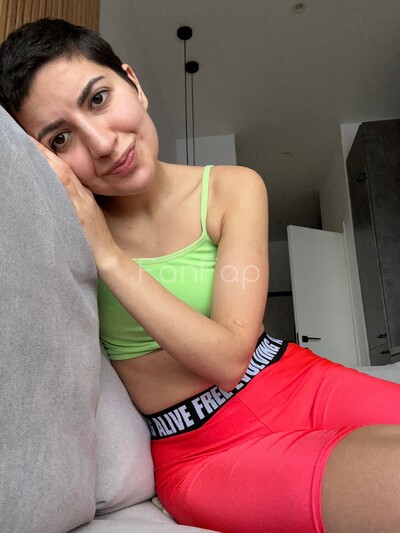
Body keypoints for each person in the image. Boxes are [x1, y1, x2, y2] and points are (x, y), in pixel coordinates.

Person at [1, 18, 400, 533]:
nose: (101, 143)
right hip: (204, 451)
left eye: (98, 99)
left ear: (133, 83)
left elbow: (231, 357)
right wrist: (104, 252)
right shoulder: (69, 237)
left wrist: (110, 256)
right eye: (60, 139)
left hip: (296, 381)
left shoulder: (234, 188)